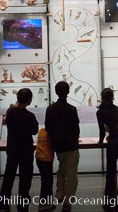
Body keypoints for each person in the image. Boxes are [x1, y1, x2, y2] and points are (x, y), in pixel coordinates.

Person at [0, 88, 38, 212]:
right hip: (26, 150)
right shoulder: (30, 116)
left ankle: (3, 203)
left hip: (12, 149)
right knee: (25, 178)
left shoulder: (10, 112)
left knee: (9, 176)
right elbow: (34, 131)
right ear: (29, 100)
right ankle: (22, 201)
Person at [45, 81, 80, 212]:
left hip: (57, 146)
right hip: (70, 146)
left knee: (61, 170)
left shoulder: (51, 109)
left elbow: (48, 127)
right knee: (71, 175)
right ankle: (67, 203)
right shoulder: (71, 109)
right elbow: (76, 129)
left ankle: (59, 193)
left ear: (56, 92)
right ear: (68, 92)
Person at [36, 127, 55, 212]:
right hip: (46, 159)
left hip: (39, 158)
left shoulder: (41, 131)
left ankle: (48, 202)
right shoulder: (51, 133)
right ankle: (44, 203)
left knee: (46, 181)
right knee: (47, 182)